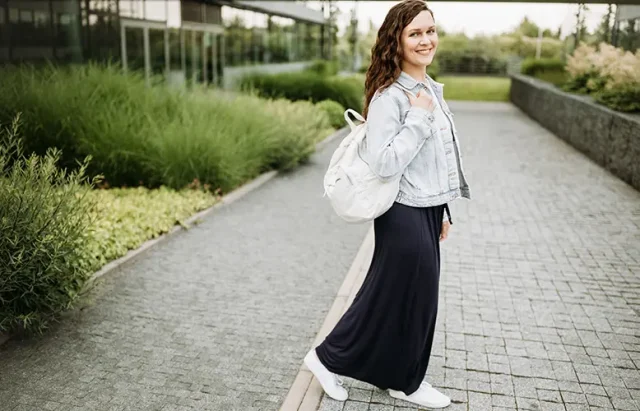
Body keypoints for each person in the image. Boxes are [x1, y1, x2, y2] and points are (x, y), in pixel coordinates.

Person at [304, 0, 471, 408]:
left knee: (412, 298)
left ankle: (398, 379)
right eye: (415, 33)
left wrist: (443, 208)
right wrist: (416, 119)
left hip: (426, 208)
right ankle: (328, 359)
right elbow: (383, 162)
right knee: (393, 298)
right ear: (395, 40)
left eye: (430, 31)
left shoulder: (429, 88)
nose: (426, 40)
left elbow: (439, 159)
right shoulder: (390, 97)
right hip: (402, 211)